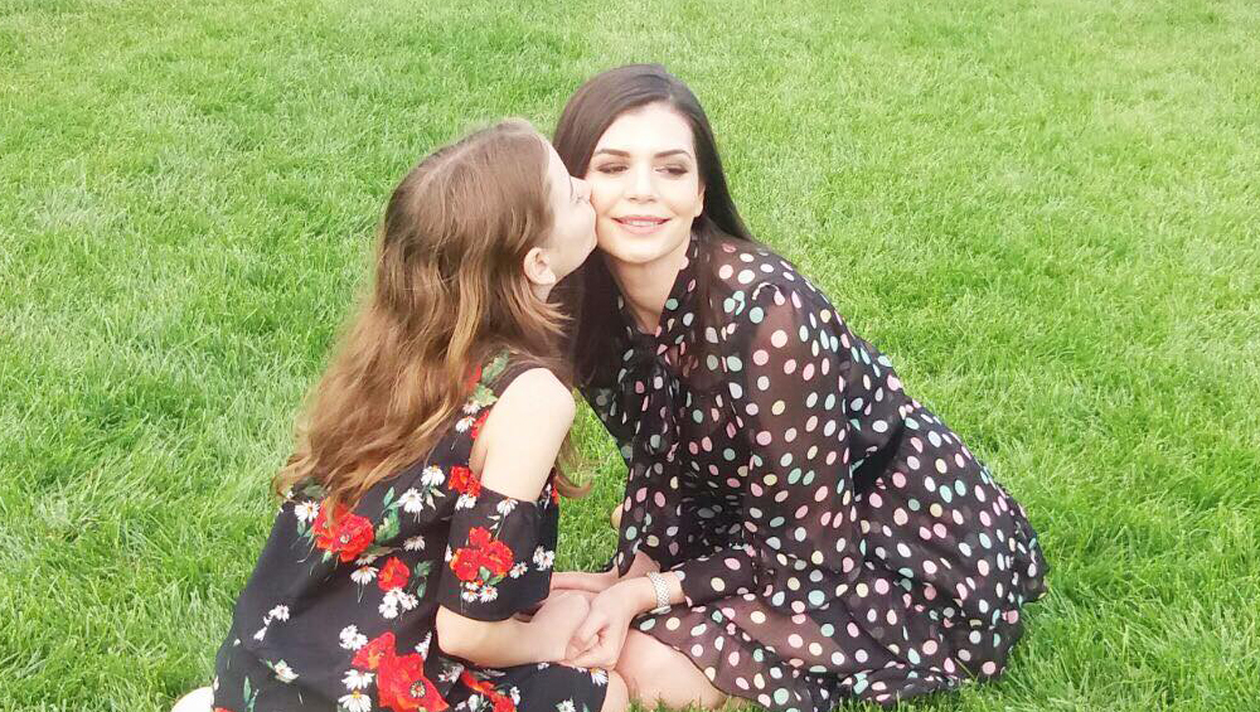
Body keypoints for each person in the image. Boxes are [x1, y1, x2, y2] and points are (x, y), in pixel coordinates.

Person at [548, 65, 1049, 711]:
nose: (642, 191)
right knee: (577, 613)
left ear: (701, 193)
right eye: (613, 167)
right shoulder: (589, 304)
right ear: (573, 187)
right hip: (761, 514)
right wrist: (633, 568)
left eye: (671, 169)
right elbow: (660, 456)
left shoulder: (768, 316)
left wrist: (643, 594)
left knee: (646, 666)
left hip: (876, 538)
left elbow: (808, 551)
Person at [176, 119, 628, 712]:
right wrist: (551, 635)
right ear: (539, 264)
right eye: (569, 192)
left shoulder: (396, 354)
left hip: (264, 669)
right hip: (378, 691)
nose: (587, 188)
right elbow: (467, 633)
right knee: (609, 694)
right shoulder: (532, 398)